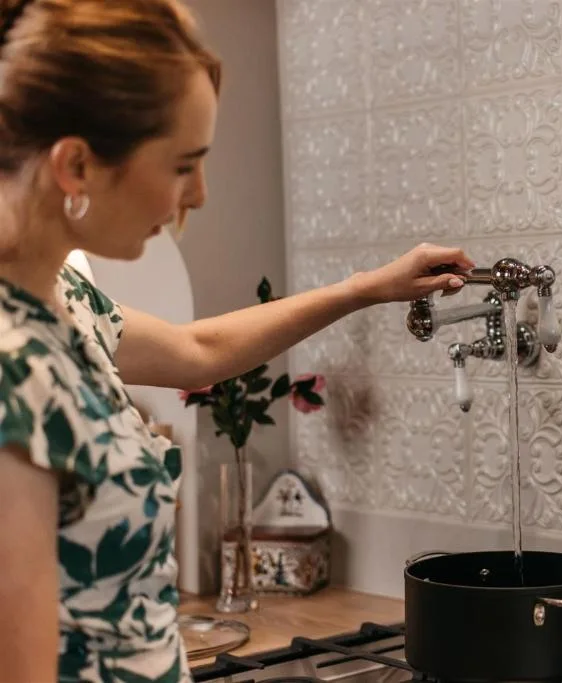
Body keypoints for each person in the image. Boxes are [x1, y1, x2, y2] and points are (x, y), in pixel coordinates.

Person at [0, 1, 474, 681]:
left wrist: (368, 286)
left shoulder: (64, 298)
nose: (196, 193)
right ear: (76, 164)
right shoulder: (10, 366)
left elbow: (198, 350)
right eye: (182, 164)